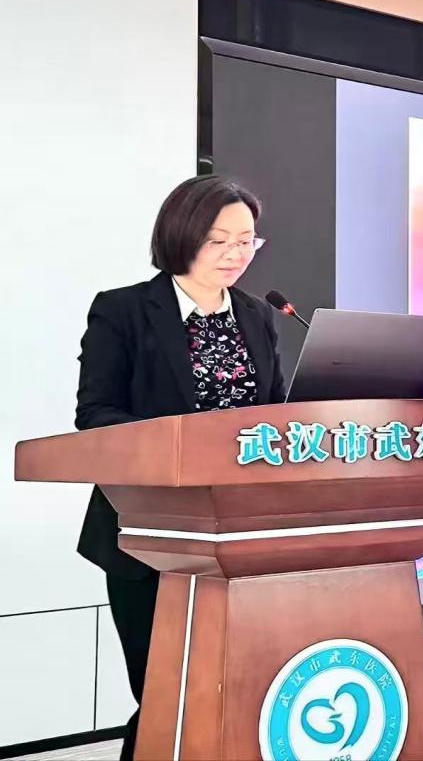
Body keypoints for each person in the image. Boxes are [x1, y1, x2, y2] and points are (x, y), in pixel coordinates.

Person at [74, 175, 286, 761]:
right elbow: (96, 414)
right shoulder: (123, 310)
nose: (236, 254)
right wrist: (182, 445)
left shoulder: (258, 317)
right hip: (150, 532)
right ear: (181, 236)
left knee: (238, 693)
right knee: (166, 694)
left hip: (242, 535)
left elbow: (274, 416)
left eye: (246, 241)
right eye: (220, 240)